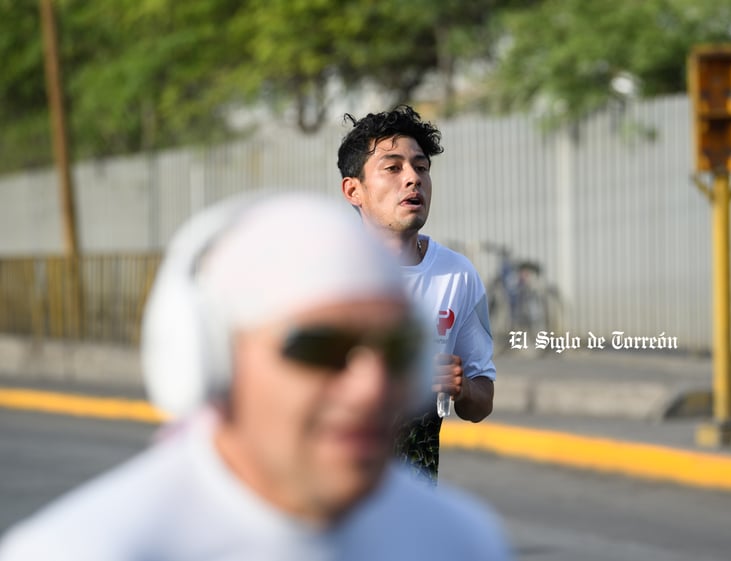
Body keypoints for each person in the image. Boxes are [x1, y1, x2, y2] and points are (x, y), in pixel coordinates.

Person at [0, 192, 511, 561]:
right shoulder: (85, 549)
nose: (370, 385)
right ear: (211, 362)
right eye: (320, 348)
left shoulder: (458, 540)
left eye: (395, 350)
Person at [338, 106, 495, 483]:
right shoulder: (327, 273)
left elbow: (482, 402)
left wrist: (461, 387)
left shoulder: (457, 275)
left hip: (412, 510)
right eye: (392, 168)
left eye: (421, 168)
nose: (412, 179)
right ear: (353, 190)